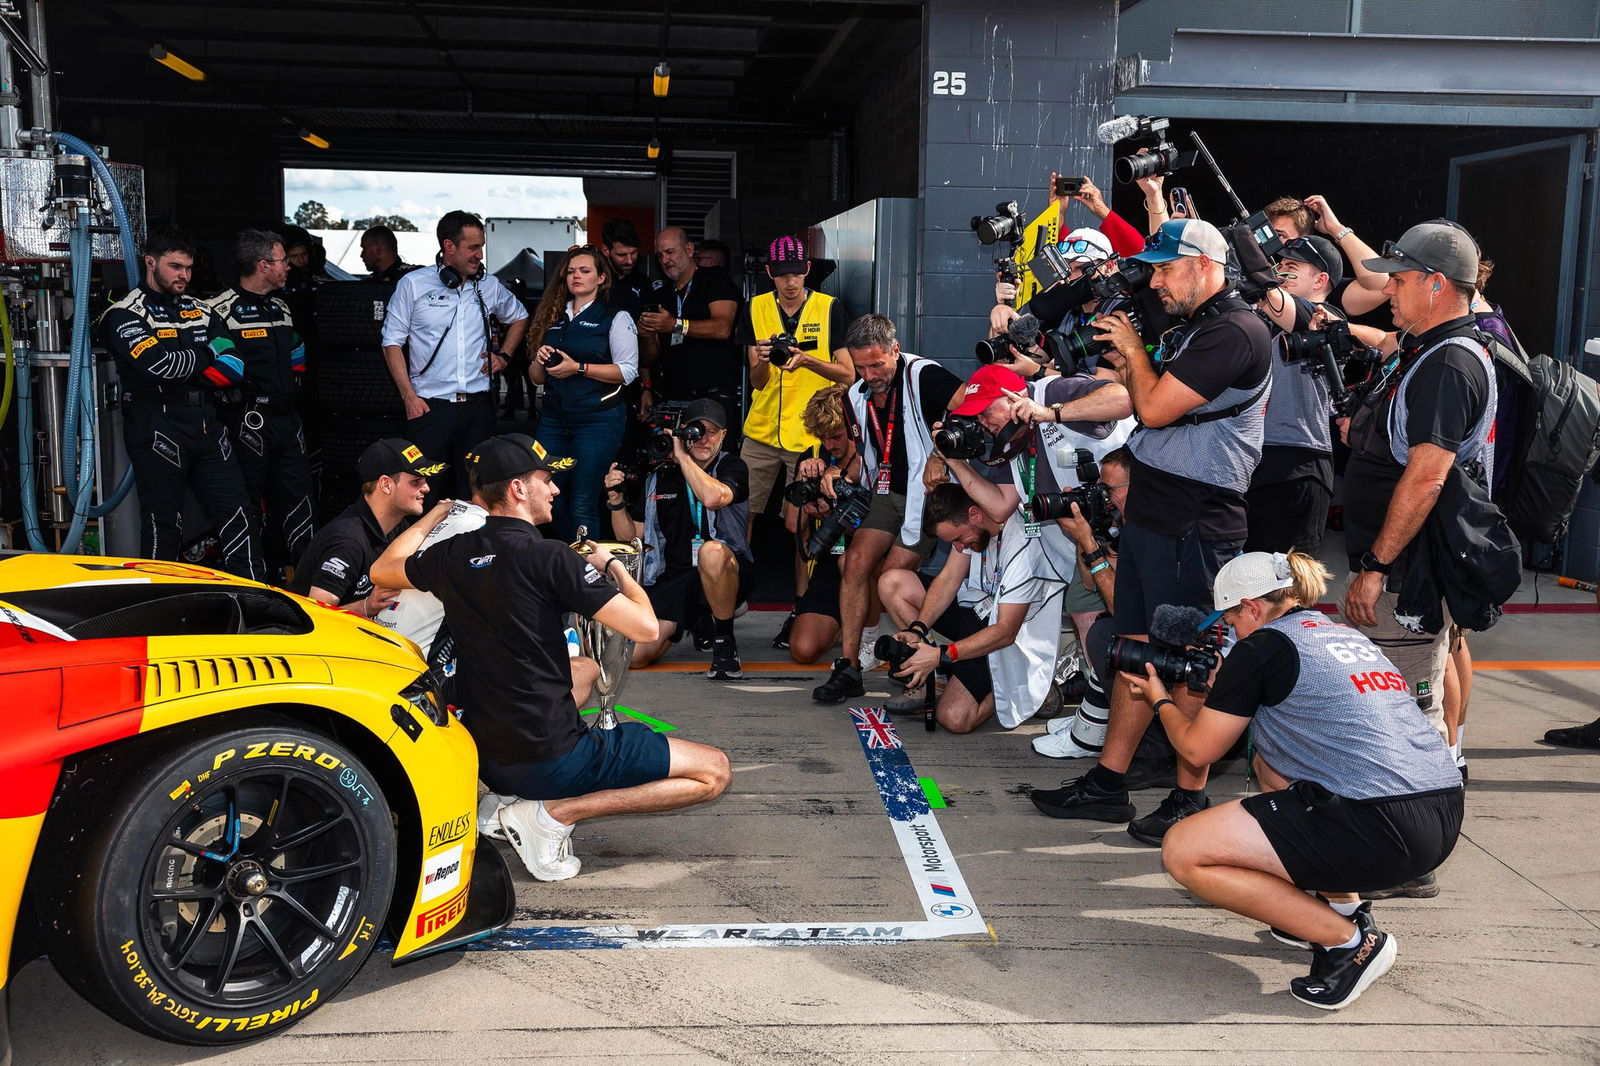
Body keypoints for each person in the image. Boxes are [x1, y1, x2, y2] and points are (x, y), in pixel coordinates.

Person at [370, 434, 730, 882]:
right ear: (519, 490)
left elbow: (382, 570)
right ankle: (552, 814)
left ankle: (501, 802)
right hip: (550, 758)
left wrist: (437, 515)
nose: (555, 489)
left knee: (584, 670)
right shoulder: (550, 556)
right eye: (546, 480)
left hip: (488, 757)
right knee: (714, 771)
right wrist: (611, 565)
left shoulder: (453, 554)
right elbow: (646, 628)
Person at [1130, 551, 1462, 1011]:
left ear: (1251, 607)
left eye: (1229, 619)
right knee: (1271, 767)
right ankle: (1342, 910)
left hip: (1381, 825)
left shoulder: (1260, 647)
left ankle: (1349, 944)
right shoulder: (1340, 634)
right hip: (1440, 811)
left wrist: (1160, 698)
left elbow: (1196, 750)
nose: (1229, 631)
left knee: (1184, 851)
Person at [1034, 218, 1271, 844]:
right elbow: (1143, 393)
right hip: (1155, 511)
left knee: (1182, 660)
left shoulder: (1237, 330)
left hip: (1197, 518)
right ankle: (1109, 783)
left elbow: (1157, 406)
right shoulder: (1198, 326)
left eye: (1166, 268)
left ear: (1203, 265)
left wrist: (1136, 353)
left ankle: (1188, 795)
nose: (1156, 280)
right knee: (1134, 653)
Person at [1341, 223, 1496, 741]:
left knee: (1403, 714)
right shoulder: (1429, 350)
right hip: (1399, 567)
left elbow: (1427, 477)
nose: (1386, 289)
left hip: (1405, 574)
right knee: (1385, 708)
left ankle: (1418, 811)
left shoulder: (1449, 363)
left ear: (1437, 284)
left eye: (1399, 279)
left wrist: (1376, 566)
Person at [922, 363, 1133, 716]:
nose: (984, 422)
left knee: (1128, 617)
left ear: (1014, 397)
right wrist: (953, 460)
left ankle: (1116, 716)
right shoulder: (1011, 440)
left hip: (1134, 510)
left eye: (987, 411)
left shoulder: (1052, 392)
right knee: (1086, 616)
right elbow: (1001, 507)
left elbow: (1122, 398)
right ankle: (1100, 716)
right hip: (1088, 529)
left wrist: (1049, 414)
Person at [811, 314, 964, 703]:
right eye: (860, 366)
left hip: (926, 495)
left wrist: (940, 453)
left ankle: (914, 660)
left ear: (896, 349)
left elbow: (970, 407)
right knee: (855, 561)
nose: (869, 374)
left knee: (891, 576)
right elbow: (867, 451)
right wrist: (837, 472)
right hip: (885, 491)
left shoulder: (923, 374)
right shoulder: (855, 394)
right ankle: (849, 667)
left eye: (877, 364)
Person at [101, 229, 265, 581]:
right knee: (164, 523)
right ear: (150, 262)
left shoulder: (201, 309)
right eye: (175, 267)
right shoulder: (124, 314)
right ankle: (158, 606)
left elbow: (235, 367)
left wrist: (192, 370)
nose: (184, 276)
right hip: (157, 425)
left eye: (188, 268)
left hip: (207, 423)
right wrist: (209, 354)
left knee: (239, 513)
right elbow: (162, 367)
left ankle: (256, 599)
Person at [877, 482, 1055, 733]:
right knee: (892, 582)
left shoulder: (1023, 545)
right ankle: (935, 676)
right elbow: (948, 580)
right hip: (976, 613)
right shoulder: (974, 529)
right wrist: (918, 630)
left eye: (959, 539)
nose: (959, 547)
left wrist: (942, 654)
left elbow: (1006, 631)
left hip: (1007, 637)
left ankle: (1032, 684)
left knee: (954, 718)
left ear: (974, 514)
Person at [381, 210, 530, 502]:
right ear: (449, 247)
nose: (480, 255)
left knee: (478, 491)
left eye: (481, 246)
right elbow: (391, 342)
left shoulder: (488, 285)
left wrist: (505, 356)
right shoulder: (413, 284)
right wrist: (408, 396)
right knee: (422, 491)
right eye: (473, 248)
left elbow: (519, 316)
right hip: (429, 408)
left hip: (478, 408)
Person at [603, 398, 752, 679]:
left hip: (728, 570)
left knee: (711, 552)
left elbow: (711, 498)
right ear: (683, 431)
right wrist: (616, 501)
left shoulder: (732, 466)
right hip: (677, 576)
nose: (703, 439)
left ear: (724, 435)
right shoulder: (660, 476)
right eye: (696, 431)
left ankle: (724, 641)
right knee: (635, 658)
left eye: (712, 432)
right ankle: (699, 621)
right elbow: (631, 538)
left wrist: (683, 456)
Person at [209, 229, 316, 578]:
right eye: (283, 260)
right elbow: (208, 364)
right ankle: (252, 579)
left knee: (300, 499)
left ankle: (307, 578)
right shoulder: (218, 310)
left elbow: (297, 348)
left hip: (288, 419)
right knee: (248, 505)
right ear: (262, 265)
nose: (289, 267)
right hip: (246, 420)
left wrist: (296, 380)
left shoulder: (281, 307)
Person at [739, 234, 854, 532]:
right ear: (769, 274)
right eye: (782, 275)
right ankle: (736, 576)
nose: (790, 282)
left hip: (809, 432)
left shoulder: (829, 307)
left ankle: (803, 581)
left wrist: (808, 360)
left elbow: (848, 374)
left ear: (807, 267)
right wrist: (763, 360)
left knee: (799, 523)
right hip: (761, 429)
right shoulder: (755, 308)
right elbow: (757, 382)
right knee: (741, 514)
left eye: (796, 273)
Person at [526, 244, 640, 541]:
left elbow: (628, 371)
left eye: (585, 271)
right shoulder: (553, 315)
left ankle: (588, 573)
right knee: (552, 495)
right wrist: (539, 360)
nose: (576, 276)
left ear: (601, 278)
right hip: (553, 418)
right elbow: (536, 378)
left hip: (598, 419)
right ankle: (567, 559)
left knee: (582, 499)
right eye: (571, 271)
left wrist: (579, 368)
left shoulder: (615, 316)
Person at [1246, 234, 1345, 553]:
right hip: (1255, 458)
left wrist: (1246, 247)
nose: (1281, 271)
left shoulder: (1327, 320)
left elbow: (1281, 305)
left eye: (1292, 266)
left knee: (1289, 583)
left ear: (1321, 279)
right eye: (1279, 264)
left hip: (1298, 462)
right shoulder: (1268, 317)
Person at [289, 438, 441, 616]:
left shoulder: (397, 527)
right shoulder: (348, 542)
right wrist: (366, 607)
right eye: (416, 481)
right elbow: (315, 614)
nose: (427, 488)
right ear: (386, 485)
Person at [638, 227, 743, 446]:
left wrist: (674, 325)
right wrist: (648, 333)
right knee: (673, 462)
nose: (665, 260)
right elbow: (650, 357)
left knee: (712, 463)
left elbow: (723, 327)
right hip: (672, 397)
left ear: (689, 249)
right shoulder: (660, 292)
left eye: (670, 252)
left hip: (712, 396)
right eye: (660, 255)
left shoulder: (714, 279)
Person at [781, 384, 858, 664]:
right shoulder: (813, 454)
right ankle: (838, 623)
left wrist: (834, 511)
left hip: (870, 562)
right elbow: (792, 524)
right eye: (822, 438)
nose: (829, 446)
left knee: (854, 559)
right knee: (803, 650)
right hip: (830, 560)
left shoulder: (871, 454)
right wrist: (804, 482)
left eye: (836, 437)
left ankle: (862, 626)